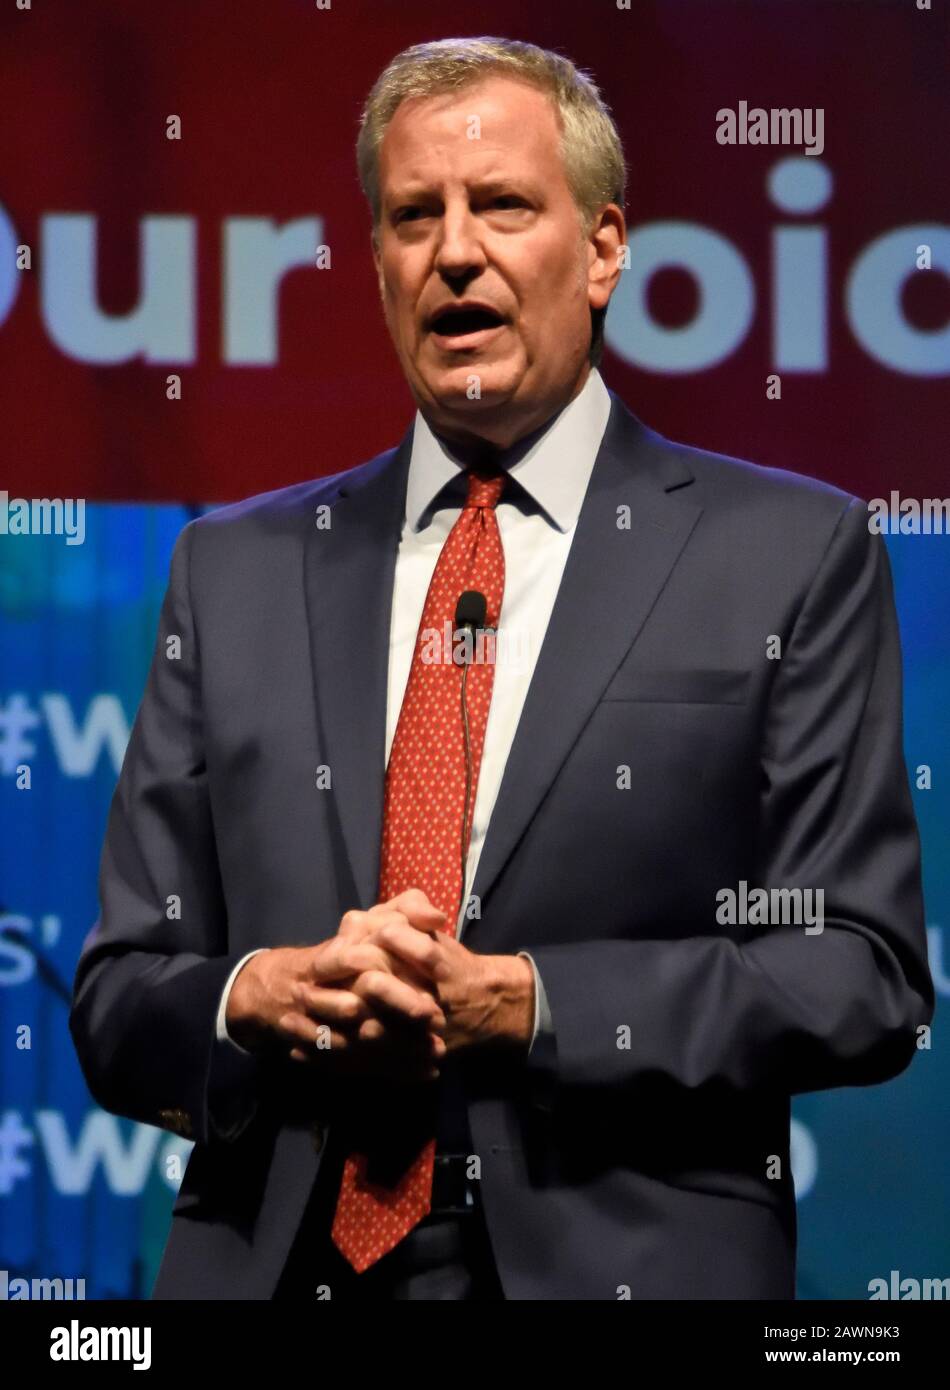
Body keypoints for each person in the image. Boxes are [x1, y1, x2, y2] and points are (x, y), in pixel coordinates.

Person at [70, 36, 934, 1301]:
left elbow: (859, 971)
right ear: (375, 265)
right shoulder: (232, 568)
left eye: (503, 206)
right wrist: (262, 992)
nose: (453, 251)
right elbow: (116, 1000)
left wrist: (528, 1003)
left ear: (601, 250)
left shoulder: (787, 556)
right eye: (412, 215)